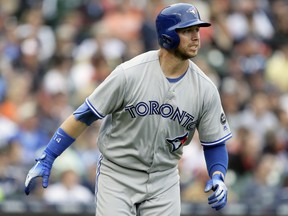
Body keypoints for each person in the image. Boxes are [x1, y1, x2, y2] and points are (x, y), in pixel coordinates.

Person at [24, 3, 232, 215]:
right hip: (118, 174)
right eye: (188, 31)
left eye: (197, 30)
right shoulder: (130, 73)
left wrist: (218, 175)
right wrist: (49, 155)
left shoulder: (205, 89)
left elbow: (214, 142)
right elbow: (84, 115)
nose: (197, 37)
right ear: (168, 35)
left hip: (164, 178)